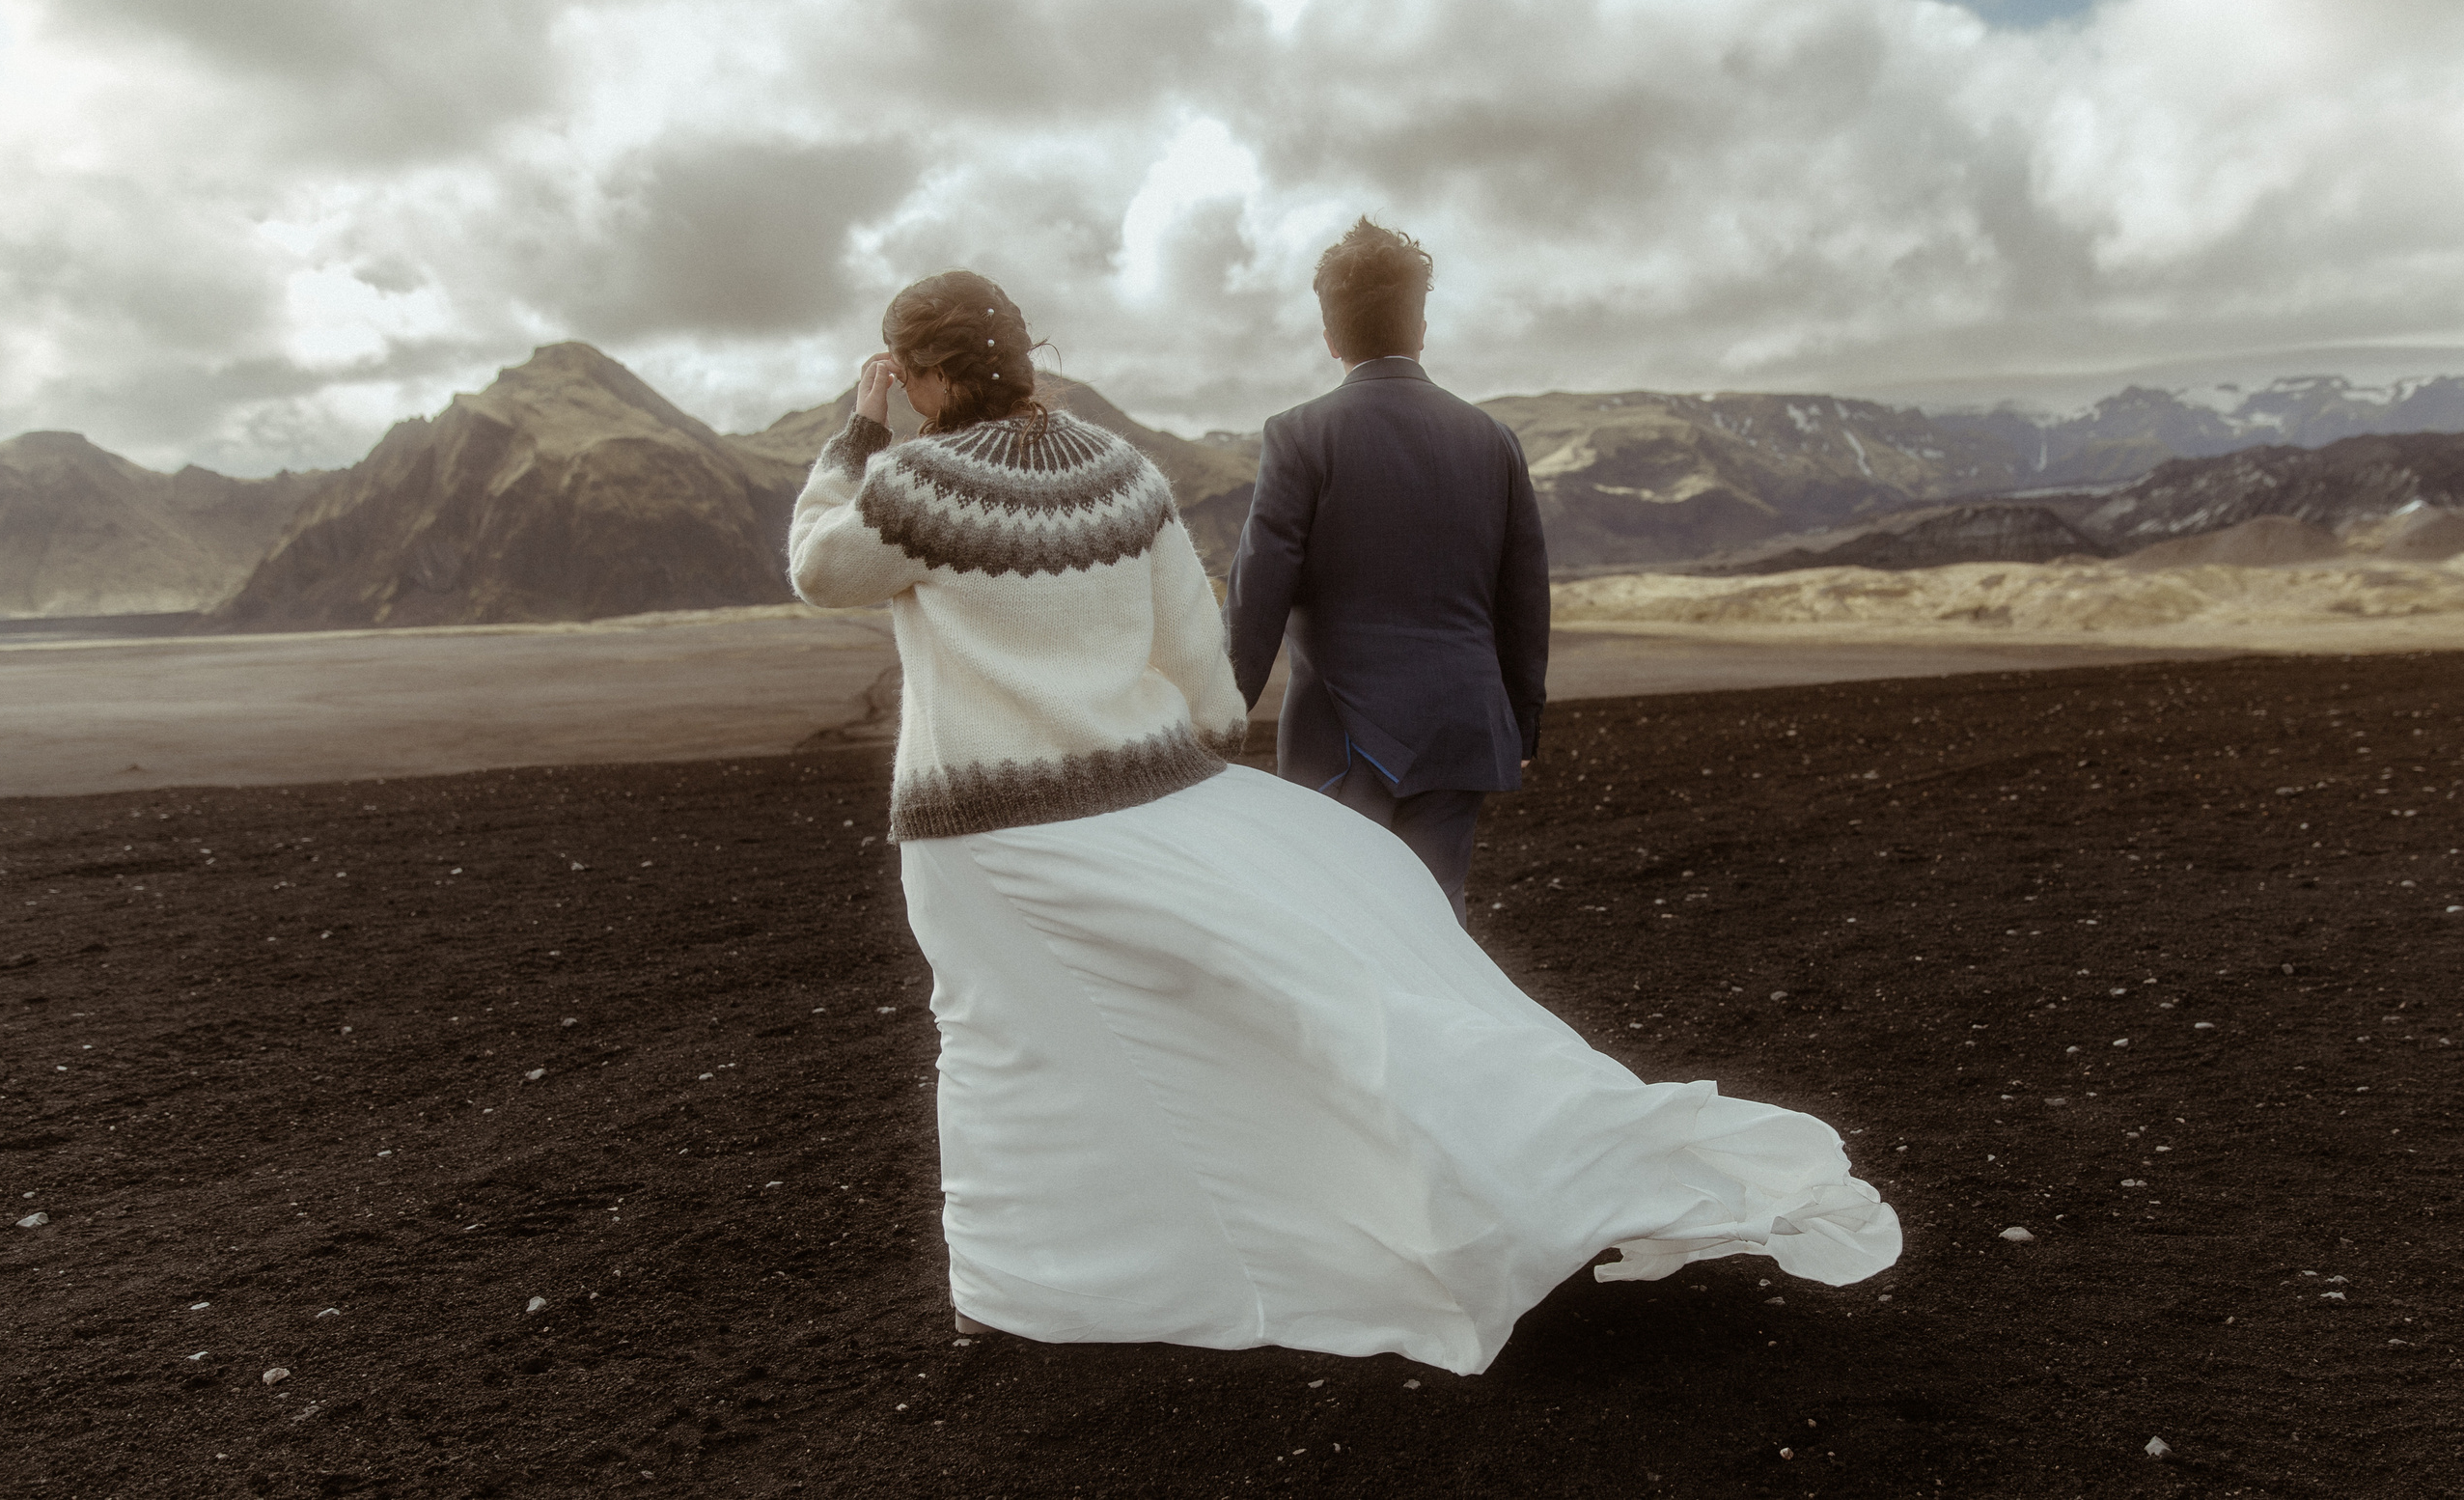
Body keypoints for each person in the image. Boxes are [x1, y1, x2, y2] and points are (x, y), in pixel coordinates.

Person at [789, 268, 1898, 1376]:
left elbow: (817, 568)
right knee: (1240, 1008)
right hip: (1142, 793)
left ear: (925, 378)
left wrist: (857, 431)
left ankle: (1018, 1287)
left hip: (983, 834)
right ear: (1021, 355)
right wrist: (1201, 749)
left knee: (1006, 1042)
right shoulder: (1119, 471)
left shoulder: (915, 487)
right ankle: (1182, 1245)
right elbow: (1190, 645)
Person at [1227, 219, 1546, 925]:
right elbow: (1523, 596)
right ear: (1421, 326)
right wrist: (1521, 724)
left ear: (1330, 336)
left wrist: (1224, 711)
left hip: (1346, 736)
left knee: (1346, 927)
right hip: (1464, 728)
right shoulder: (1494, 441)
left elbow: (1260, 590)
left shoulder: (1300, 435)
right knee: (1437, 928)